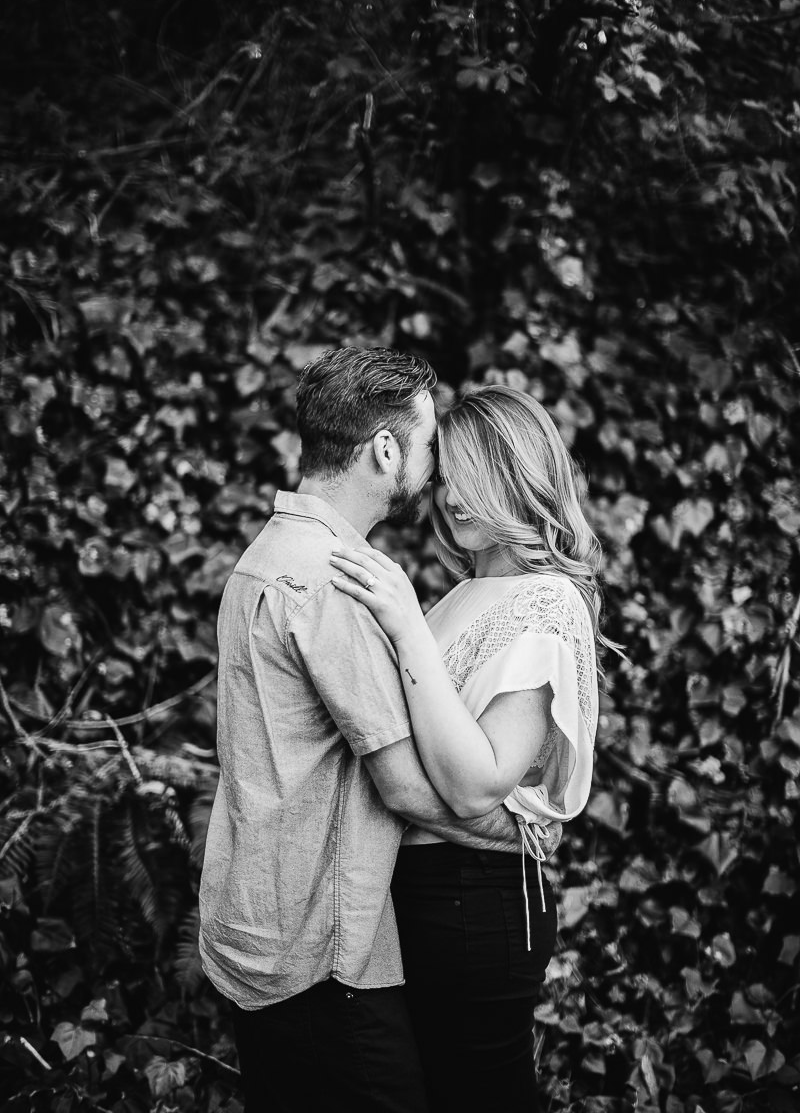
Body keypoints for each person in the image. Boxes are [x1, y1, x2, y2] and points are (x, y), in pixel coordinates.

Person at [198, 349, 557, 1113]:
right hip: (322, 950)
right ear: (385, 450)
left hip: (253, 926)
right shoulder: (332, 580)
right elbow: (404, 786)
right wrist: (517, 837)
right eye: (430, 448)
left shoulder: (263, 560)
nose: (436, 474)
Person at [330, 384, 610, 1113]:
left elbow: (478, 783)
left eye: (474, 477)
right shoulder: (455, 599)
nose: (452, 497)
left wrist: (402, 623)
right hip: (418, 893)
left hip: (478, 902)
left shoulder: (547, 600)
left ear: (519, 475)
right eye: (446, 475)